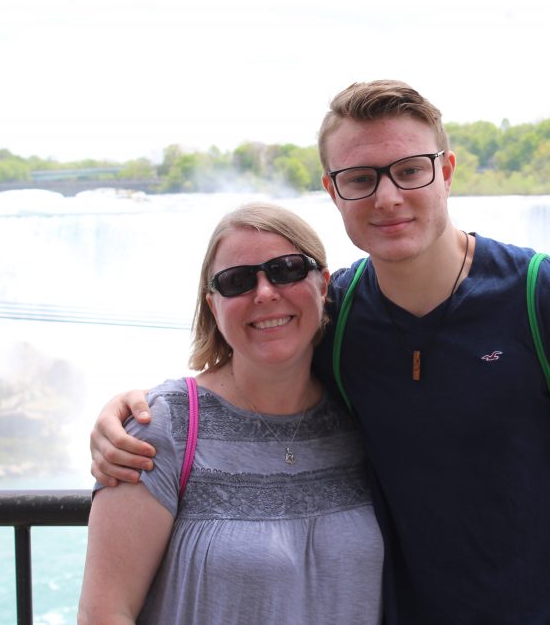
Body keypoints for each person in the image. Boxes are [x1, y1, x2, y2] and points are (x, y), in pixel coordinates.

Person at [92, 80, 550, 623]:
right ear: (333, 191)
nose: (387, 198)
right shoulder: (334, 317)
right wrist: (133, 411)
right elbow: (250, 370)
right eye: (361, 178)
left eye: (410, 171)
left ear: (447, 171)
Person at [79, 204, 384, 623]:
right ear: (212, 305)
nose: (264, 292)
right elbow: (105, 613)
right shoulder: (162, 429)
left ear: (322, 285)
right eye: (236, 281)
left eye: (287, 269)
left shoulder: (363, 415)